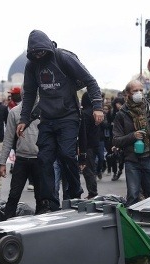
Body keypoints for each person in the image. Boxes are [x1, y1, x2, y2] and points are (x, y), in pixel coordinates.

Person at [16, 29, 104, 212]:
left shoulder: (63, 57)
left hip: (68, 115)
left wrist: (97, 107)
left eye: (42, 52)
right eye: (35, 53)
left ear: (48, 47)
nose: (39, 55)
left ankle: (75, 191)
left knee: (66, 154)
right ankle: (50, 201)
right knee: (44, 159)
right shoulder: (31, 65)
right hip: (47, 117)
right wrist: (24, 119)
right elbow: (30, 93)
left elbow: (91, 81)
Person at [0, 92, 42, 220]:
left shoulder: (45, 110)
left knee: (41, 197)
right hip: (21, 159)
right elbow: (8, 139)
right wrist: (2, 163)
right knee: (14, 195)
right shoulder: (14, 112)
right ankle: (6, 226)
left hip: (39, 159)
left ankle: (40, 228)